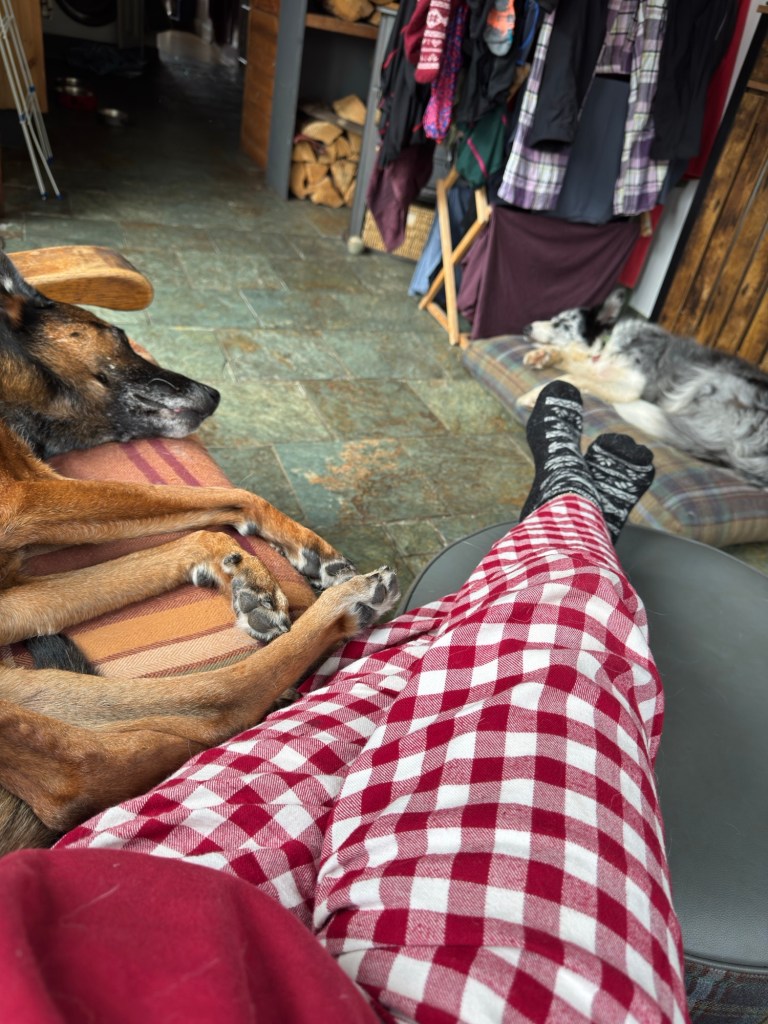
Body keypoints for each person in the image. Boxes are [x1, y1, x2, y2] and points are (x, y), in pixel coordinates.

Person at [0, 382, 689, 1024]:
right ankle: (570, 518)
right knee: (549, 651)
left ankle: (565, 527)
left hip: (109, 905)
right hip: (156, 934)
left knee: (377, 691)